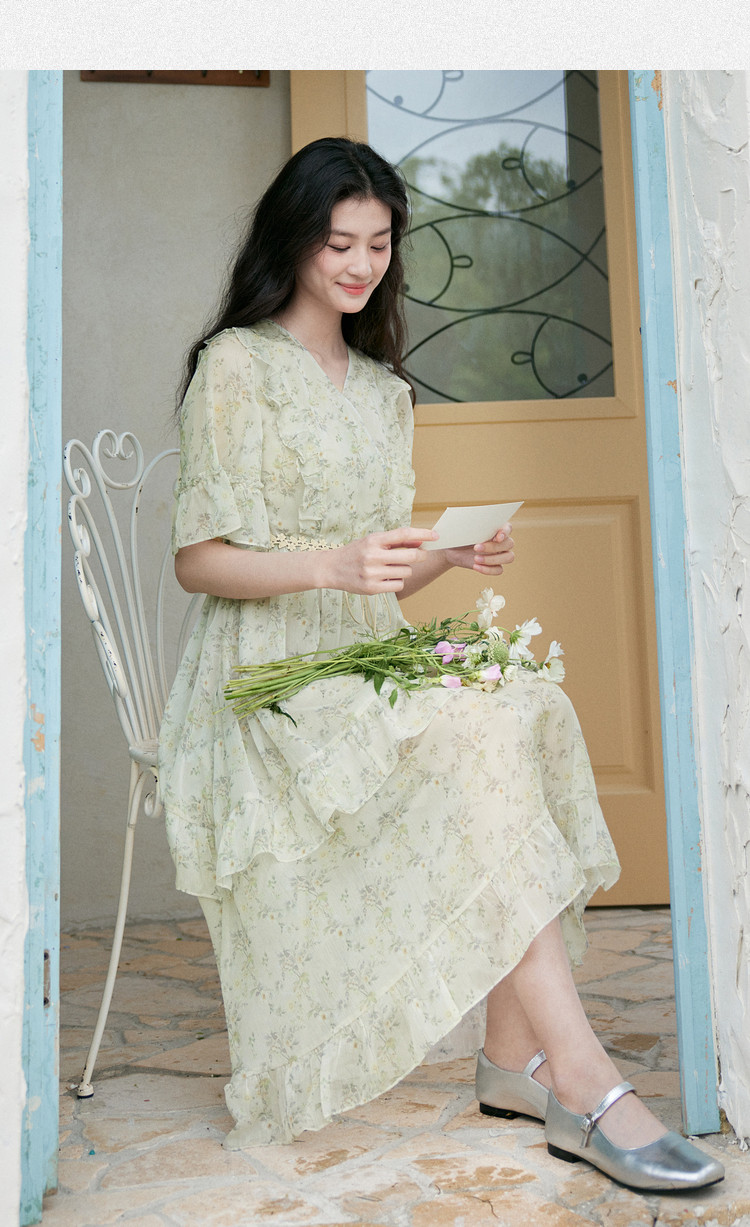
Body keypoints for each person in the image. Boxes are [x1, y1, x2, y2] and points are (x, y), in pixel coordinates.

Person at [158, 137, 723, 1190]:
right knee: (476, 732)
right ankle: (582, 1079)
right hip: (264, 682)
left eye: (379, 244)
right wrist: (329, 563)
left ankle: (513, 1055)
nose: (359, 264)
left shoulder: (384, 390)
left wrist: (445, 556)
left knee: (524, 705)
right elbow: (198, 561)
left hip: (361, 659)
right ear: (295, 239)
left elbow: (378, 581)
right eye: (339, 242)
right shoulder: (235, 367)